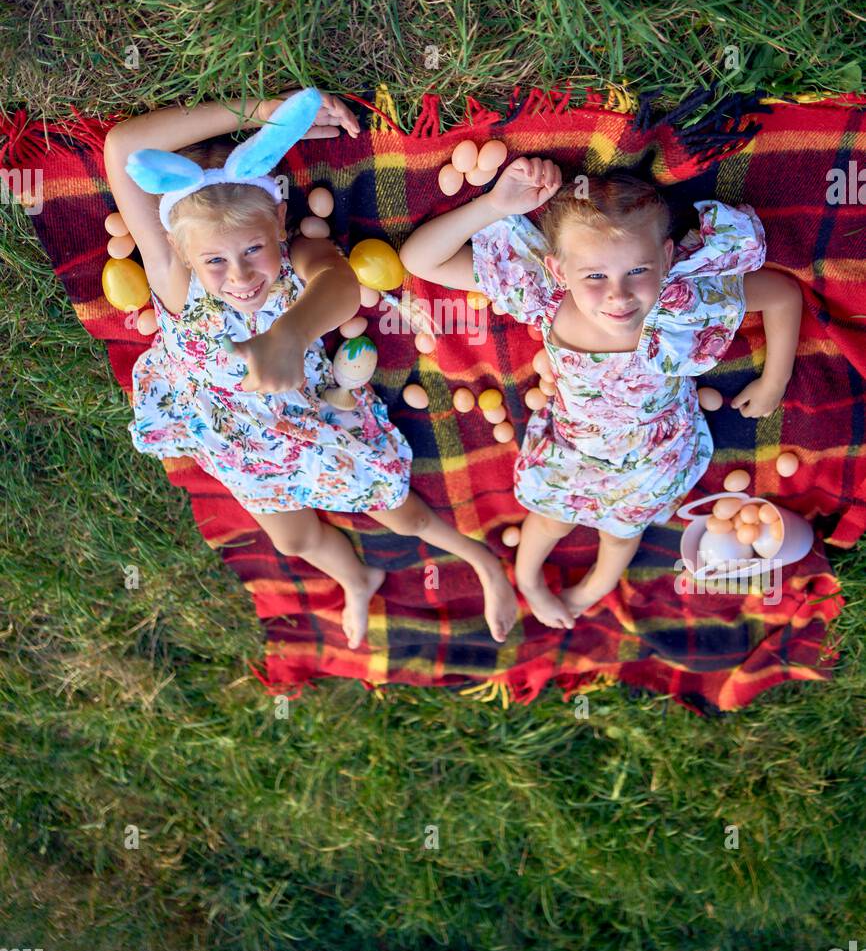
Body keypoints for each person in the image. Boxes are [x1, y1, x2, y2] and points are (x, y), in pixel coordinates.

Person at [103, 90, 518, 649]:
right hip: (235, 446)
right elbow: (122, 146)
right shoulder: (174, 276)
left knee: (403, 514)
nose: (240, 276)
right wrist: (266, 112)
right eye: (216, 261)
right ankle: (356, 578)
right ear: (180, 250)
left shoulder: (298, 259)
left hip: (316, 426)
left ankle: (482, 561)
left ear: (278, 219)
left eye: (252, 248)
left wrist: (289, 334)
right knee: (295, 540)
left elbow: (342, 286)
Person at [400, 158, 802, 628]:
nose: (619, 295)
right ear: (558, 269)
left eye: (638, 270)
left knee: (619, 536)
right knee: (550, 519)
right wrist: (492, 206)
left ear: (668, 258)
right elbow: (419, 260)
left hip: (655, 453)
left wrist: (774, 381)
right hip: (574, 446)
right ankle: (527, 580)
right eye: (594, 276)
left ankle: (588, 592)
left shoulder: (680, 306)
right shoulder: (540, 294)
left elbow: (781, 294)